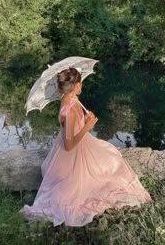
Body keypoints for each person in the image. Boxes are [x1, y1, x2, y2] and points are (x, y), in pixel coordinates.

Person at [20, 67, 152, 227]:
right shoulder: (71, 109)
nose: (82, 84)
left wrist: (85, 117)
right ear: (77, 86)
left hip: (73, 143)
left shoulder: (69, 100)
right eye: (80, 82)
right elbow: (69, 145)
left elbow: (72, 126)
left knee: (111, 155)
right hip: (73, 153)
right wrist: (86, 126)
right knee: (111, 166)